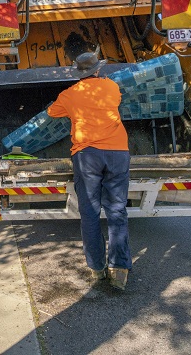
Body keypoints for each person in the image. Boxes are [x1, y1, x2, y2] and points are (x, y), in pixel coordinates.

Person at [47, 51, 132, 290]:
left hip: (87, 156)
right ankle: (120, 270)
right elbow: (116, 103)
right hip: (118, 152)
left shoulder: (69, 94)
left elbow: (52, 113)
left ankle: (97, 268)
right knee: (117, 211)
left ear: (79, 72)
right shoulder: (112, 87)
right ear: (97, 70)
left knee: (90, 213)